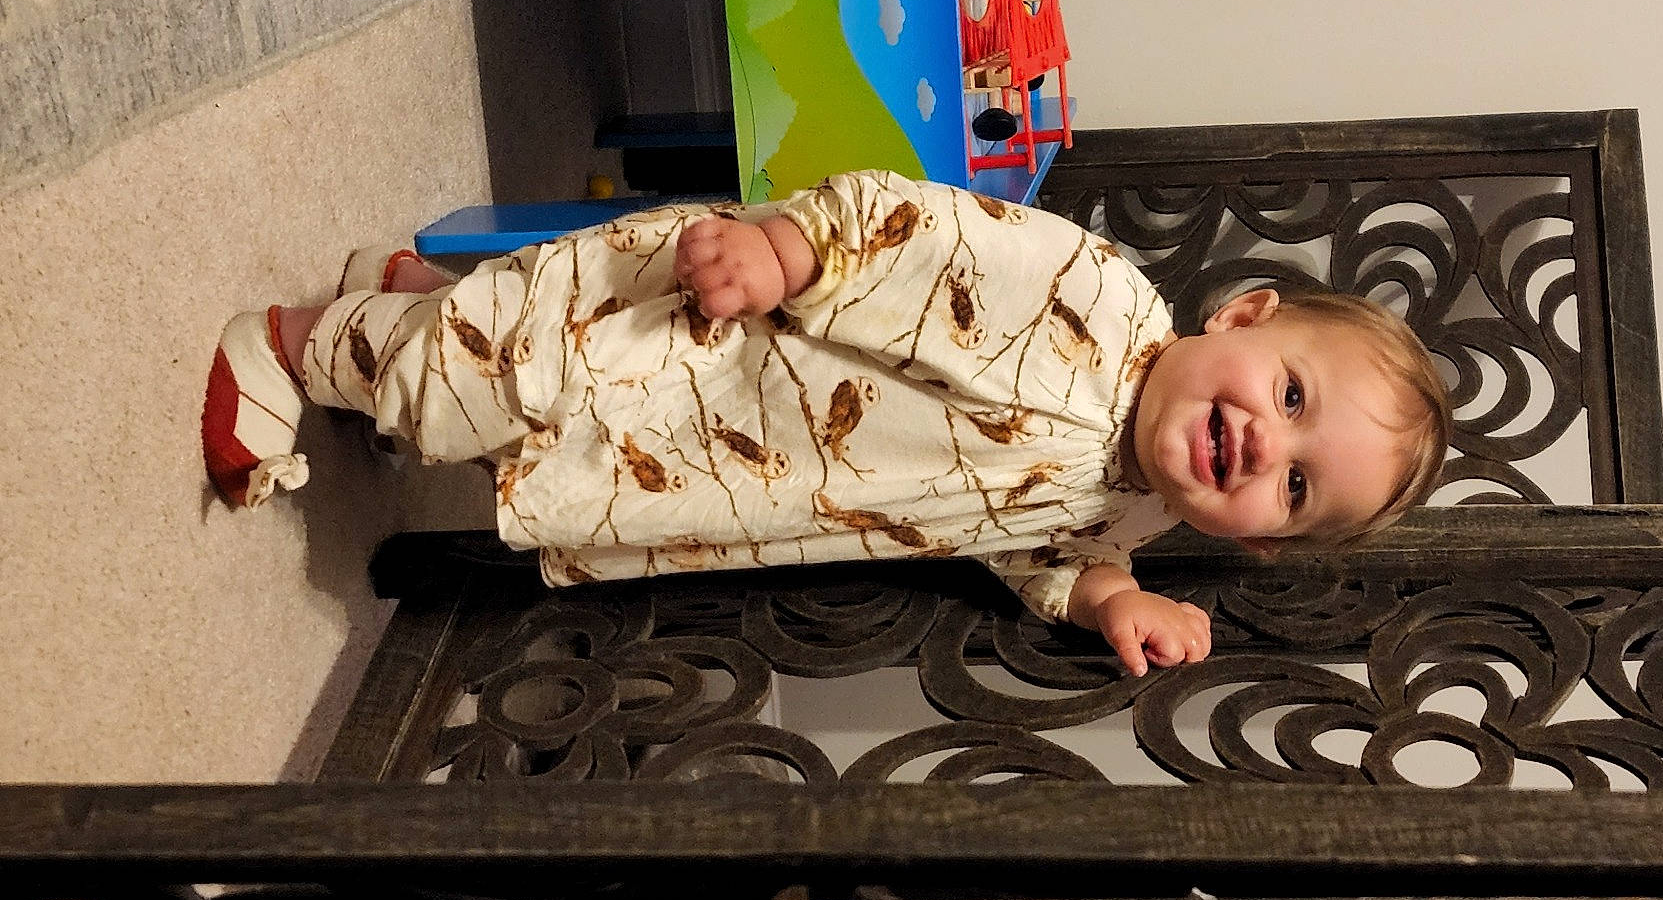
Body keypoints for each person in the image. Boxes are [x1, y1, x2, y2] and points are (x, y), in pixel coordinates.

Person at [204, 171, 1450, 675]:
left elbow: (1044, 550)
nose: (1260, 445)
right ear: (1238, 315)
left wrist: (1109, 601)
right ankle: (285, 345)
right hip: (718, 334)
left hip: (722, 465)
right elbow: (915, 230)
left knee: (505, 399)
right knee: (481, 383)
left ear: (1260, 542)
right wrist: (781, 250)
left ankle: (418, 303)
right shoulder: (1092, 302)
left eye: (1292, 486)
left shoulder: (1126, 505)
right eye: (1288, 396)